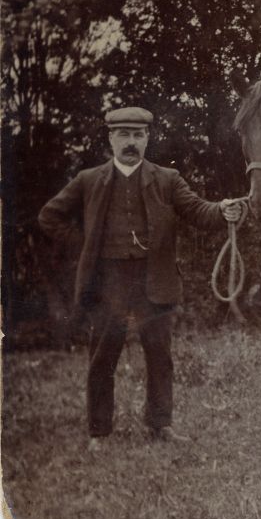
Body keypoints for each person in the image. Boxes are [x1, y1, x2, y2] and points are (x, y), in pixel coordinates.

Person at [38, 106, 244, 450]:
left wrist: (222, 210)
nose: (130, 142)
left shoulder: (167, 179)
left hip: (155, 277)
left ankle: (160, 425)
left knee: (159, 354)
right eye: (123, 135)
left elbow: (198, 211)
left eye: (137, 135)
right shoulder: (89, 180)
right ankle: (99, 432)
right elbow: (49, 217)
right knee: (103, 356)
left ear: (147, 138)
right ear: (111, 139)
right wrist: (86, 243)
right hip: (108, 281)